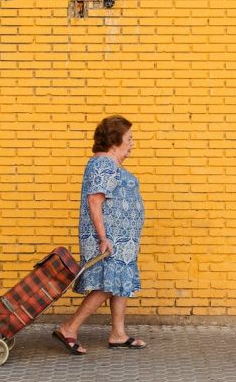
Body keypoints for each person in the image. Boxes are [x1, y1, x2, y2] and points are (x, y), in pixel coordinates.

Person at [52, 115, 147, 354]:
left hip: (121, 240)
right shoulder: (103, 164)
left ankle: (118, 334)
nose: (132, 143)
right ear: (115, 141)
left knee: (118, 283)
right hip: (108, 238)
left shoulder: (109, 164)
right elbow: (95, 201)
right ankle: (69, 328)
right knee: (107, 283)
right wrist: (104, 238)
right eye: (129, 138)